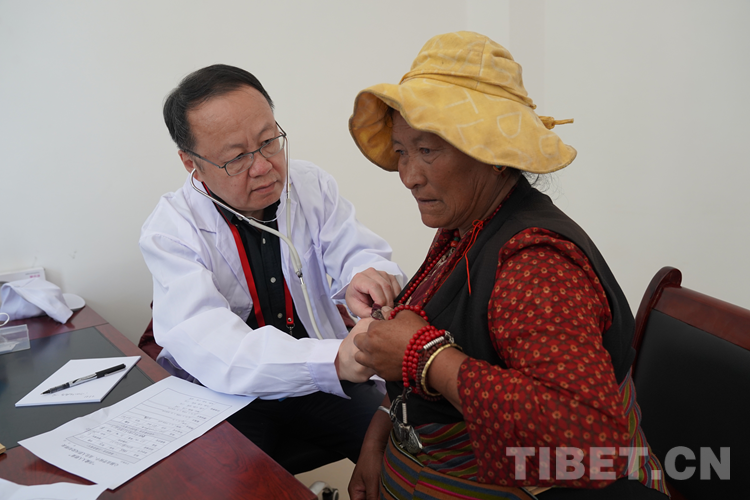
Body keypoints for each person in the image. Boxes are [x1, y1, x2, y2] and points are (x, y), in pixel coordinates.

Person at [346, 32, 669, 499]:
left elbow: (585, 433)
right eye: (401, 151)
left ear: (493, 155)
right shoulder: (467, 225)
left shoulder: (535, 264)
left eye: (428, 150)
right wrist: (378, 434)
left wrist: (423, 355)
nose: (409, 176)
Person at [139, 64, 406, 474]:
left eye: (268, 142)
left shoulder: (310, 185)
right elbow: (217, 349)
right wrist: (334, 359)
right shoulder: (171, 230)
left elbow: (358, 250)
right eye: (236, 158)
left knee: (404, 455)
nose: (263, 166)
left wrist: (366, 277)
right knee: (229, 483)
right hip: (225, 394)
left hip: (319, 380)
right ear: (191, 163)